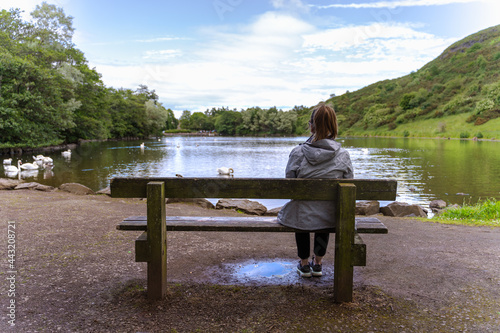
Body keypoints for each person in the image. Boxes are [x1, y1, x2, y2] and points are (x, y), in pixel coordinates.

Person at [277, 103, 354, 277]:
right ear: (334, 127)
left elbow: (290, 184)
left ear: (311, 126)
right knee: (324, 210)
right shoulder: (343, 155)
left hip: (301, 216)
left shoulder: (298, 152)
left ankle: (304, 265)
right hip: (328, 218)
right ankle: (318, 264)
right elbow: (348, 183)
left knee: (301, 209)